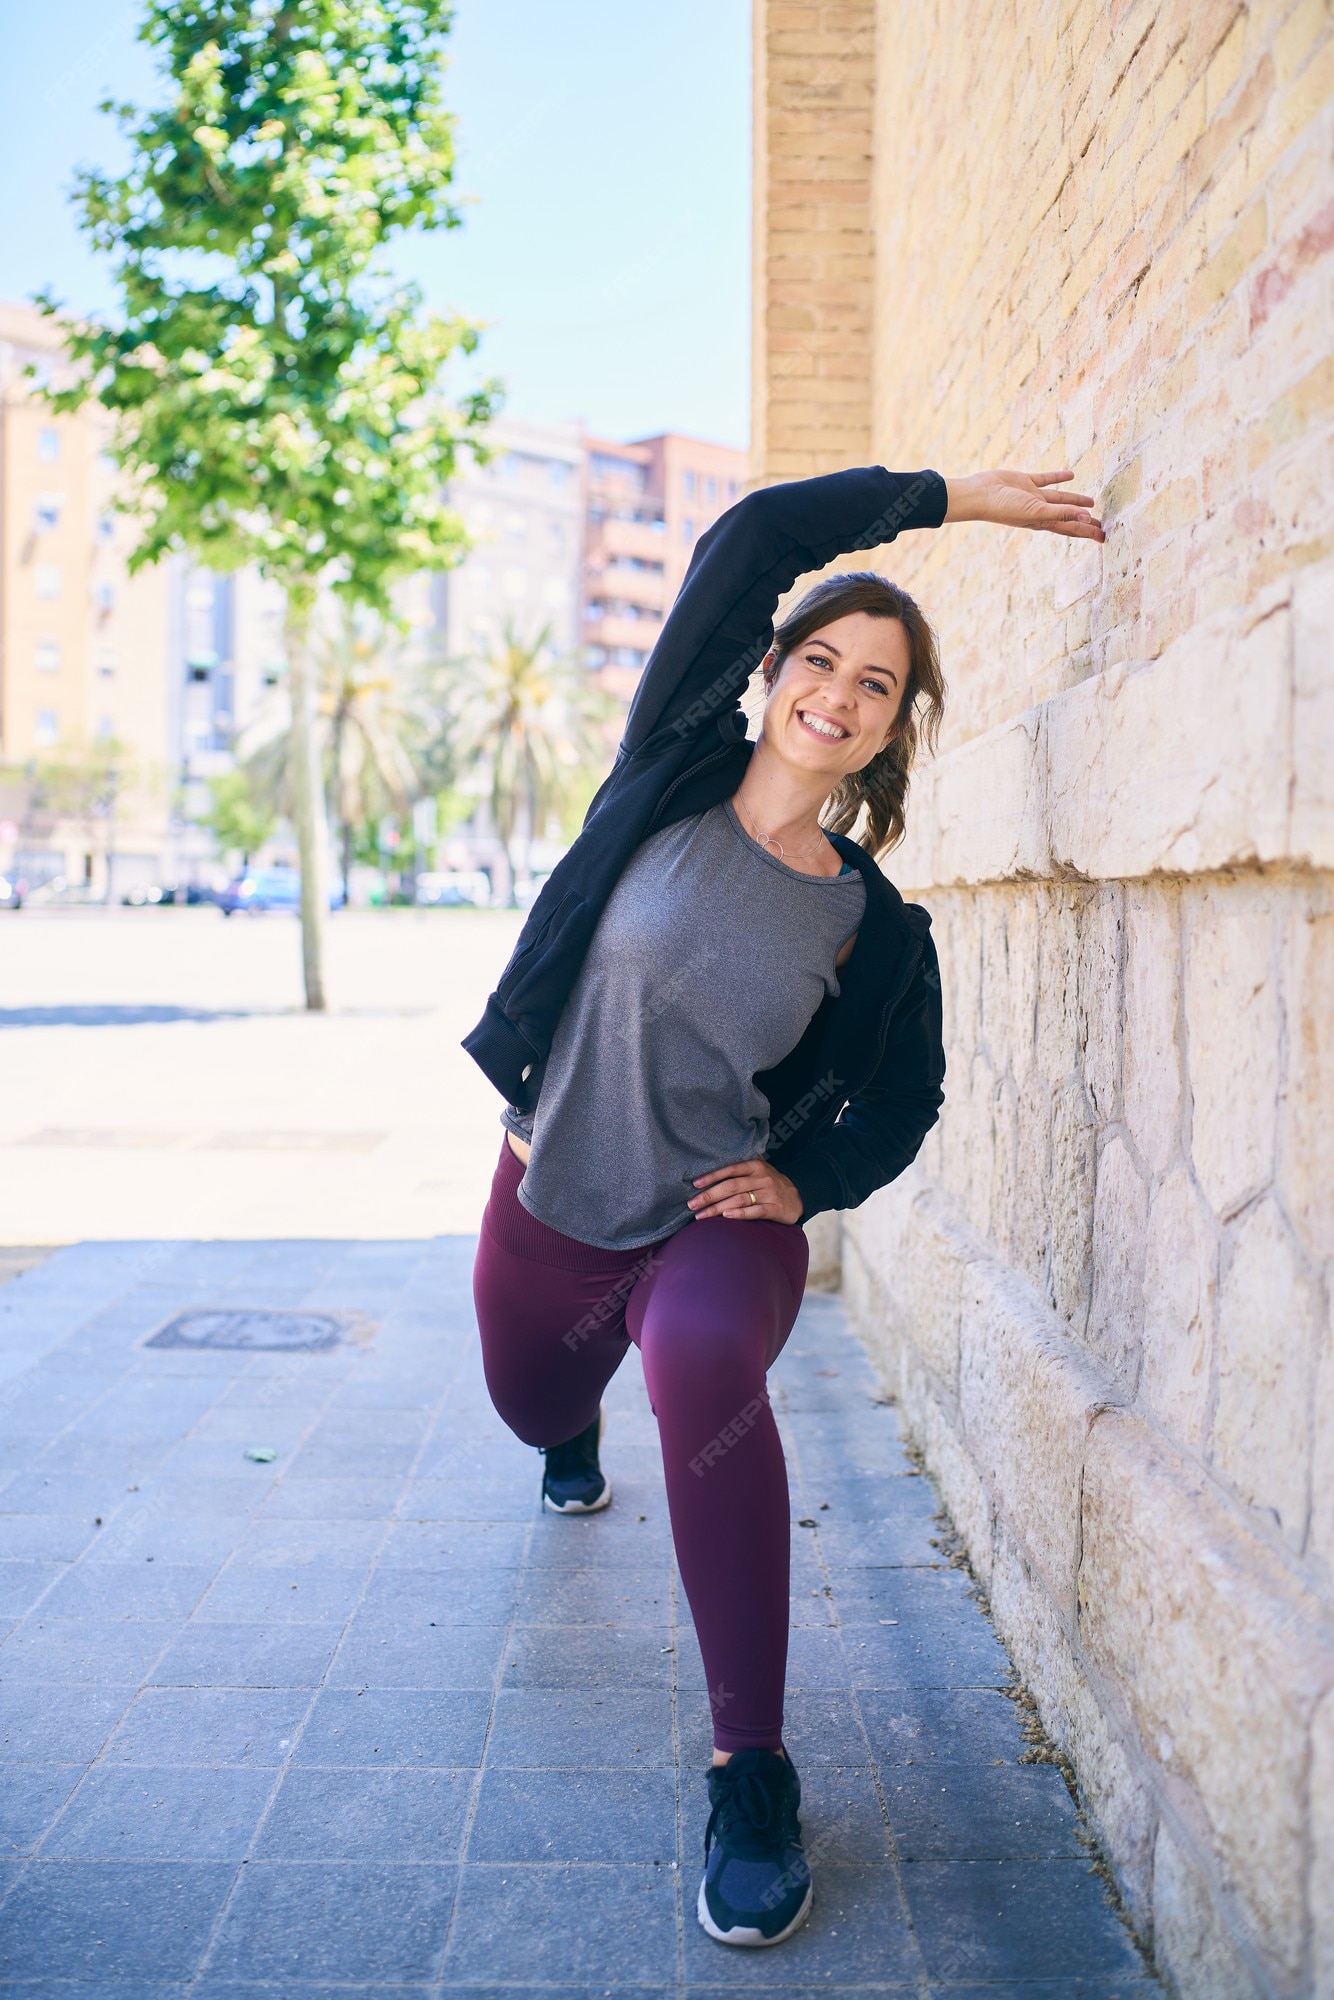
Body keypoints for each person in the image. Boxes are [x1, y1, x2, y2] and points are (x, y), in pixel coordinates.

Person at [464, 462, 1105, 1948]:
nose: (838, 691)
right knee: (523, 1403)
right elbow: (753, 537)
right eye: (819, 658)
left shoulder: (869, 928)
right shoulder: (671, 772)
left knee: (696, 1357)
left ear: (892, 727)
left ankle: (748, 1769)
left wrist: (802, 1181)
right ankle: (569, 1425)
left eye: (875, 682)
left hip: (710, 1220)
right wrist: (957, 498)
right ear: (770, 675)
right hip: (553, 1188)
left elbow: (901, 1099)